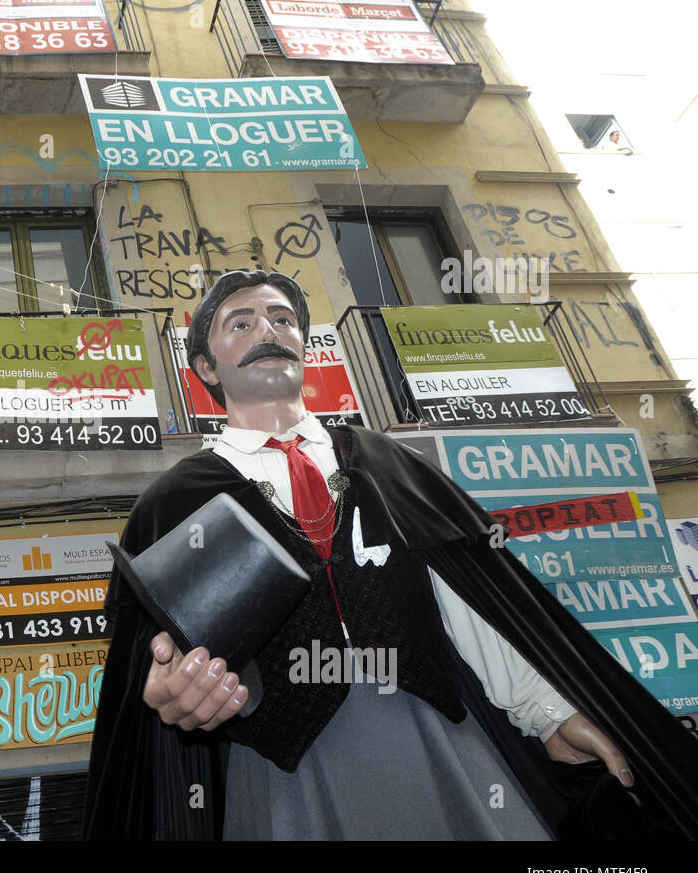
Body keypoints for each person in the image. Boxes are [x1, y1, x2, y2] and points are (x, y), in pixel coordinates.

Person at [83, 270, 698, 840]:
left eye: (282, 319)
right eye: (239, 323)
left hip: (440, 736)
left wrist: (548, 712)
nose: (267, 331)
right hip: (283, 771)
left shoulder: (392, 464)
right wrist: (165, 695)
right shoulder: (175, 502)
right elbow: (155, 662)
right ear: (205, 367)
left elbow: (474, 603)